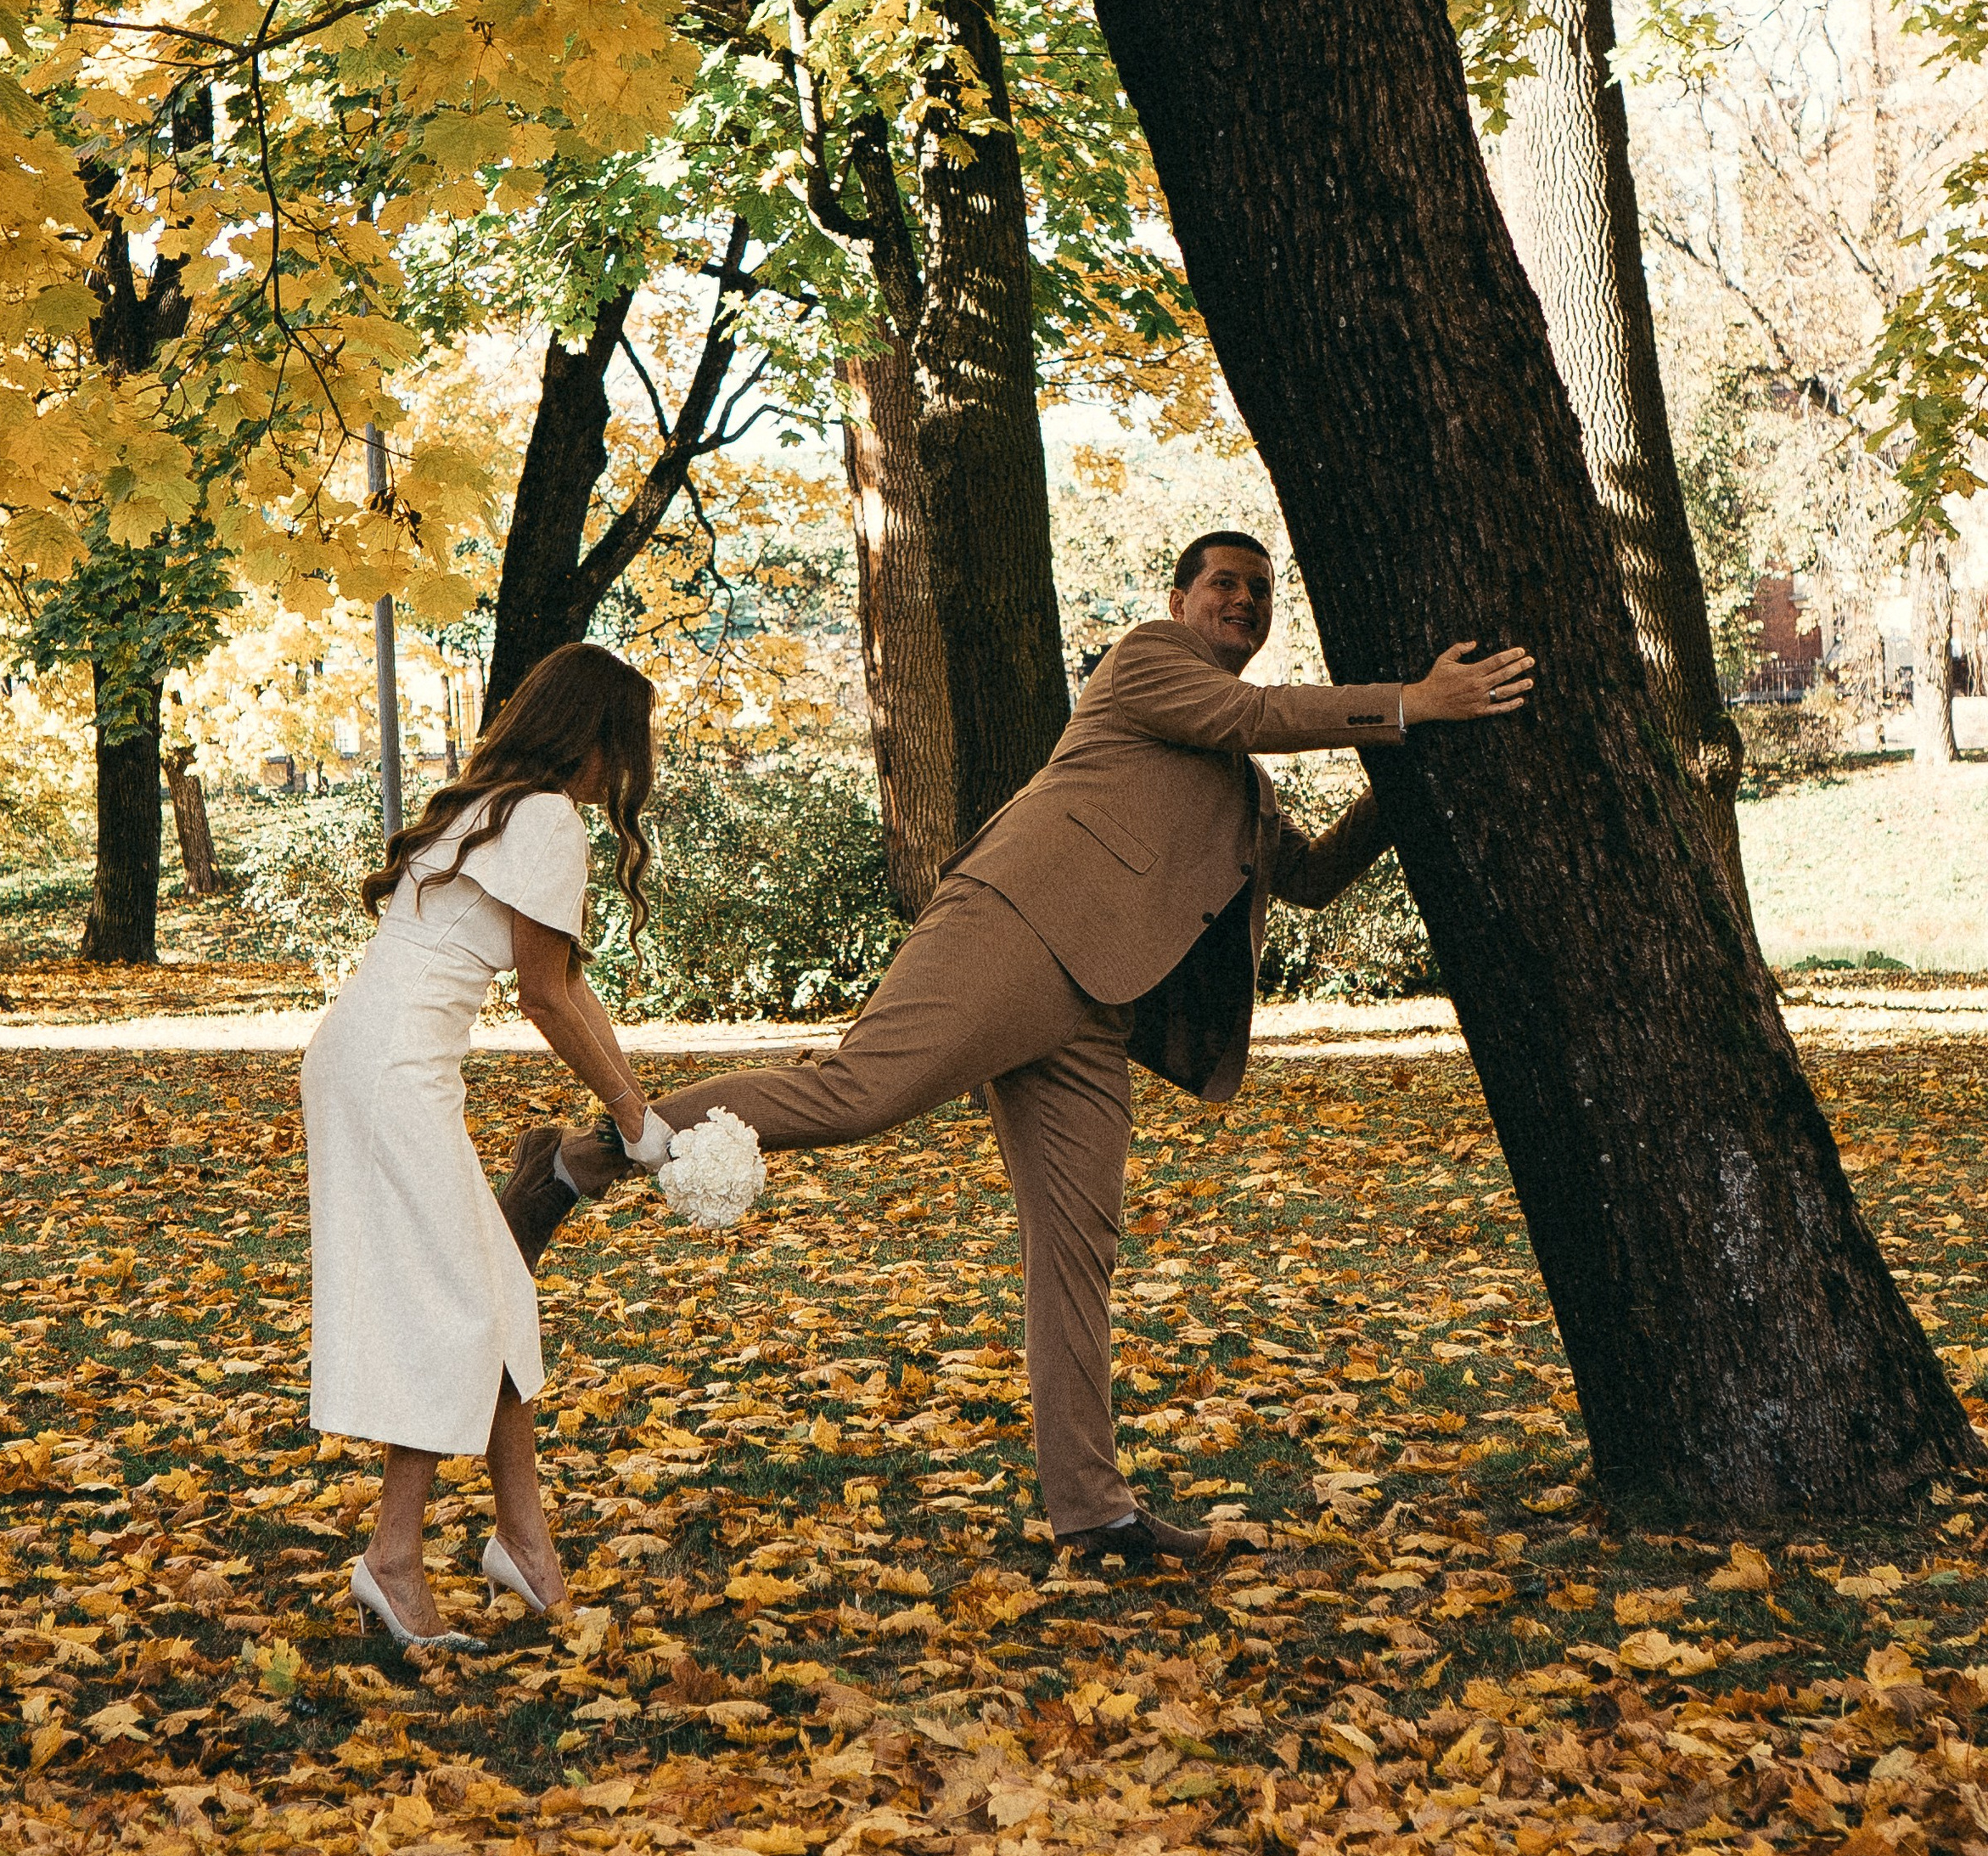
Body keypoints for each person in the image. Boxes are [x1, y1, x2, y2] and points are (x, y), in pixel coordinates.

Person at [525, 536, 1533, 1573]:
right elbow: (1250, 713)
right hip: (1011, 930)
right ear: (1179, 600)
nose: (1242, 599)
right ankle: (581, 1159)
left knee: (1075, 1254)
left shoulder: (1246, 789)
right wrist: (1413, 701)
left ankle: (1093, 1516)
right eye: (1222, 583)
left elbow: (1311, 876)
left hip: (1099, 1014)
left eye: (1259, 590)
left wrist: (1412, 767)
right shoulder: (1144, 663)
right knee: (852, 1094)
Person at [303, 640, 674, 1649]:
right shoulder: (545, 819)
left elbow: (565, 979)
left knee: (500, 1297)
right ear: (589, 737)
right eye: (625, 746)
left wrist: (637, 1105)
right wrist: (637, 1121)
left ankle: (525, 1547)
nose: (625, 773)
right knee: (464, 1306)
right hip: (393, 1077)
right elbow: (544, 996)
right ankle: (391, 1558)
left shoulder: (492, 806)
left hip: (367, 1060)